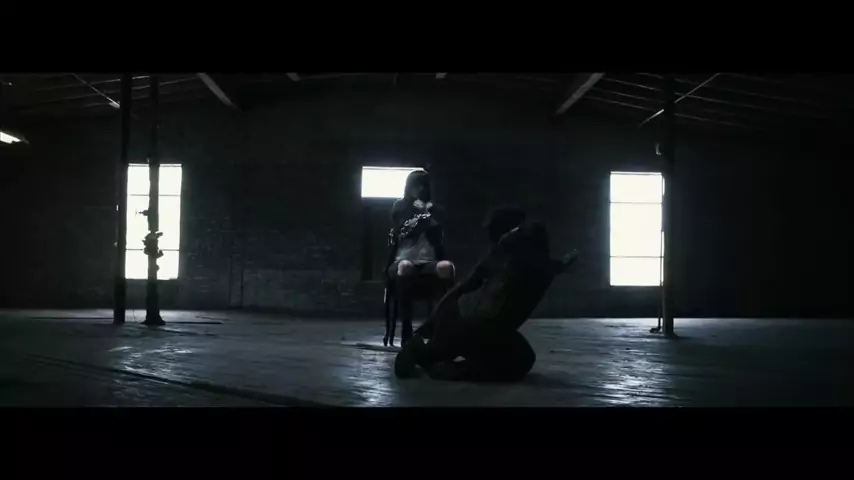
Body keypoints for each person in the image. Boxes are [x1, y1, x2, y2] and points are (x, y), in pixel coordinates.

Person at [394, 205, 579, 382]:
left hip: (478, 324)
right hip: (474, 324)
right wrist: (430, 324)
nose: (489, 235)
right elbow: (464, 287)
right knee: (519, 359)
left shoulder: (516, 249)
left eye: (492, 229)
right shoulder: (507, 252)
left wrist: (560, 264)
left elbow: (535, 259)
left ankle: (431, 357)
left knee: (520, 357)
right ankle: (437, 362)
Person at [387, 170, 455, 342]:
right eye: (416, 186)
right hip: (403, 259)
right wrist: (423, 217)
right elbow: (404, 229)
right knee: (405, 267)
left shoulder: (436, 209)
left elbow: (438, 228)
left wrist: (425, 212)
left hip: (429, 261)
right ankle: (407, 330)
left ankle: (438, 325)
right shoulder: (400, 206)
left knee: (446, 267)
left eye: (423, 186)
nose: (419, 189)